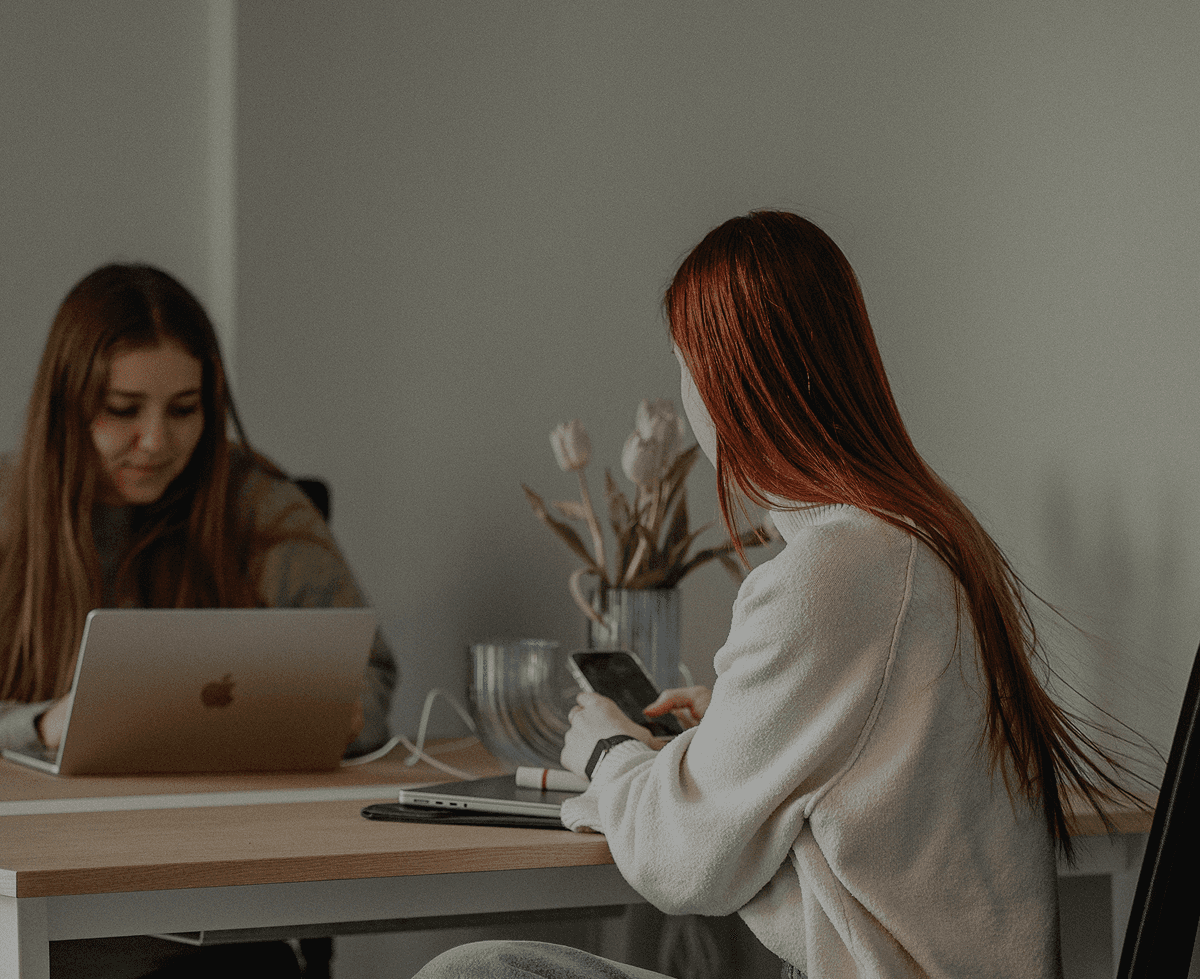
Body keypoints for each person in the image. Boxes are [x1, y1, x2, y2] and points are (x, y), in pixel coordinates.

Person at [414, 211, 1143, 979]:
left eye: (685, 367)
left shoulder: (836, 573)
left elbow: (684, 860)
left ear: (731, 384)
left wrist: (607, 750)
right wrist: (738, 720)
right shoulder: (927, 538)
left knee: (474, 974)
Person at [0, 262, 398, 977]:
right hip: (33, 908)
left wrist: (337, 714)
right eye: (123, 409)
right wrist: (36, 726)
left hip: (216, 912)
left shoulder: (256, 502)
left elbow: (369, 673)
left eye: (184, 410)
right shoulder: (7, 510)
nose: (156, 441)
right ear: (67, 403)